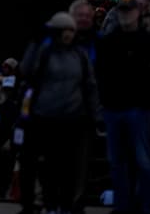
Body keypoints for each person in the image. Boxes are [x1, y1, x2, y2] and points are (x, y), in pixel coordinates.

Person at [17, 12, 98, 214]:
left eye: (71, 30)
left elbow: (89, 85)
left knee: (68, 165)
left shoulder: (80, 55)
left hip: (72, 117)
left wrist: (94, 114)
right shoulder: (44, 52)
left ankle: (65, 204)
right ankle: (48, 202)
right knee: (47, 164)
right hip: (44, 115)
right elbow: (26, 70)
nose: (68, 34)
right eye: (64, 30)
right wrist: (34, 44)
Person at [95, 0, 150, 214]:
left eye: (129, 10)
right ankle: (124, 206)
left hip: (138, 107)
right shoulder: (110, 41)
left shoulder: (146, 41)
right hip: (115, 108)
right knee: (118, 162)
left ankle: (147, 207)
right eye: (122, 10)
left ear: (137, 13)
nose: (125, 14)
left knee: (142, 161)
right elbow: (101, 73)